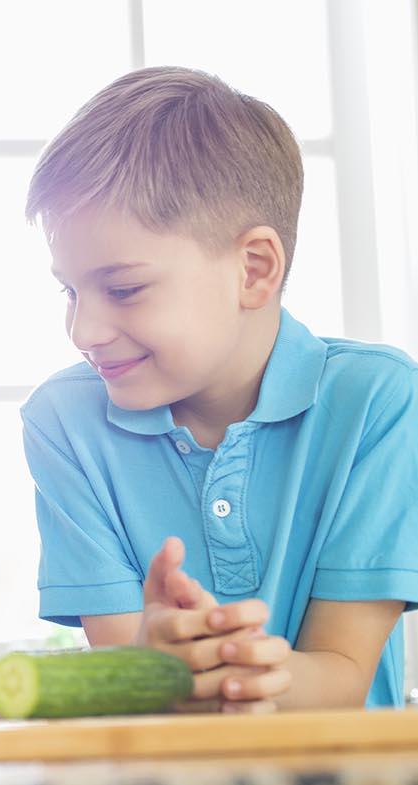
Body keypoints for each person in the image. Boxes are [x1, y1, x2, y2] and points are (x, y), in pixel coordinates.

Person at [21, 65, 418, 710]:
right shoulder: (64, 422)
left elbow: (343, 675)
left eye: (122, 289)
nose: (82, 329)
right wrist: (160, 666)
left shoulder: (377, 401)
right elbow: (130, 677)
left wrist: (233, 672)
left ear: (254, 270)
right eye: (69, 290)